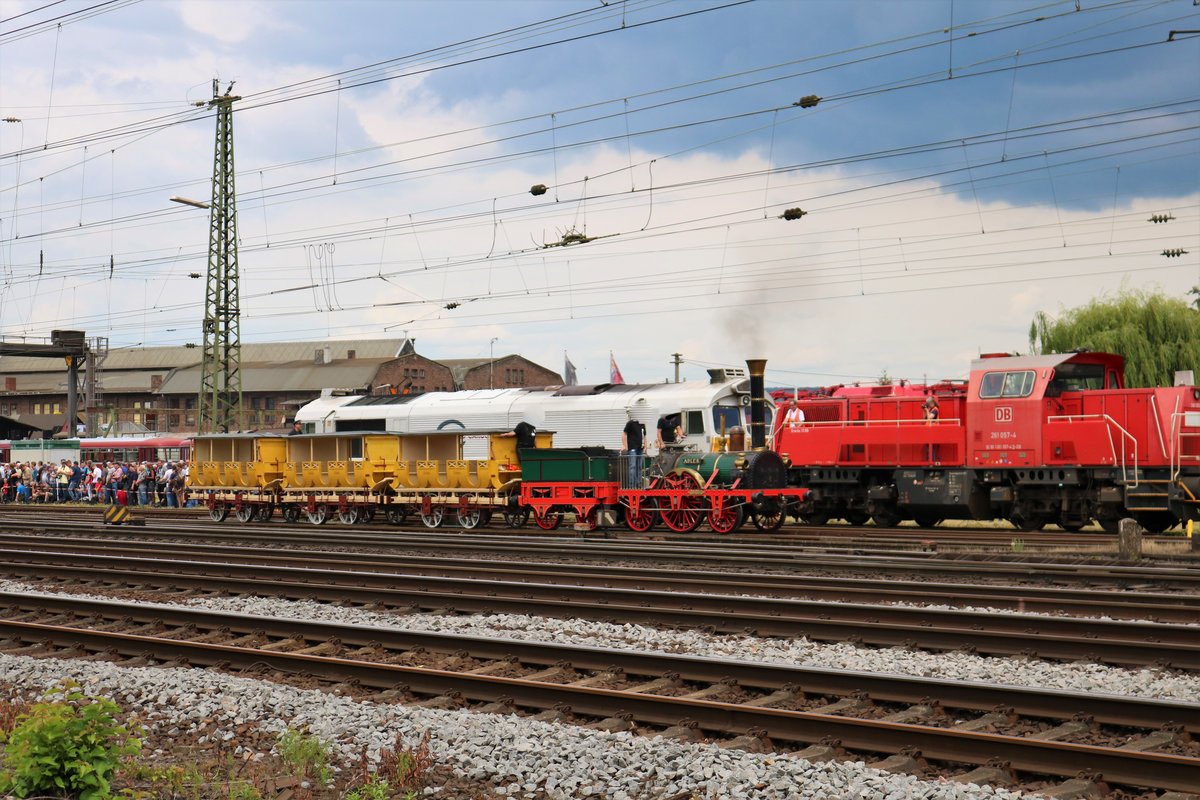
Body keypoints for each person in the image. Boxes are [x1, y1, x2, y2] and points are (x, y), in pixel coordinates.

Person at [621, 411, 647, 488]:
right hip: (632, 448)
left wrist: (645, 446)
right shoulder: (630, 423)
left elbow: (645, 435)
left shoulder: (642, 424)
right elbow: (624, 434)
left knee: (639, 467)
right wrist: (625, 446)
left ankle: (638, 485)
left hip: (640, 448)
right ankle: (632, 485)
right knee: (633, 466)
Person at [923, 395, 940, 462]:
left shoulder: (935, 410)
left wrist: (927, 410)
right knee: (929, 445)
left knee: (929, 445)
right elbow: (925, 418)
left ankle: (932, 460)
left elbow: (930, 417)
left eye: (928, 404)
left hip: (933, 429)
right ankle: (931, 459)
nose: (928, 405)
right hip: (930, 429)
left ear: (932, 403)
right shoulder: (932, 410)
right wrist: (925, 410)